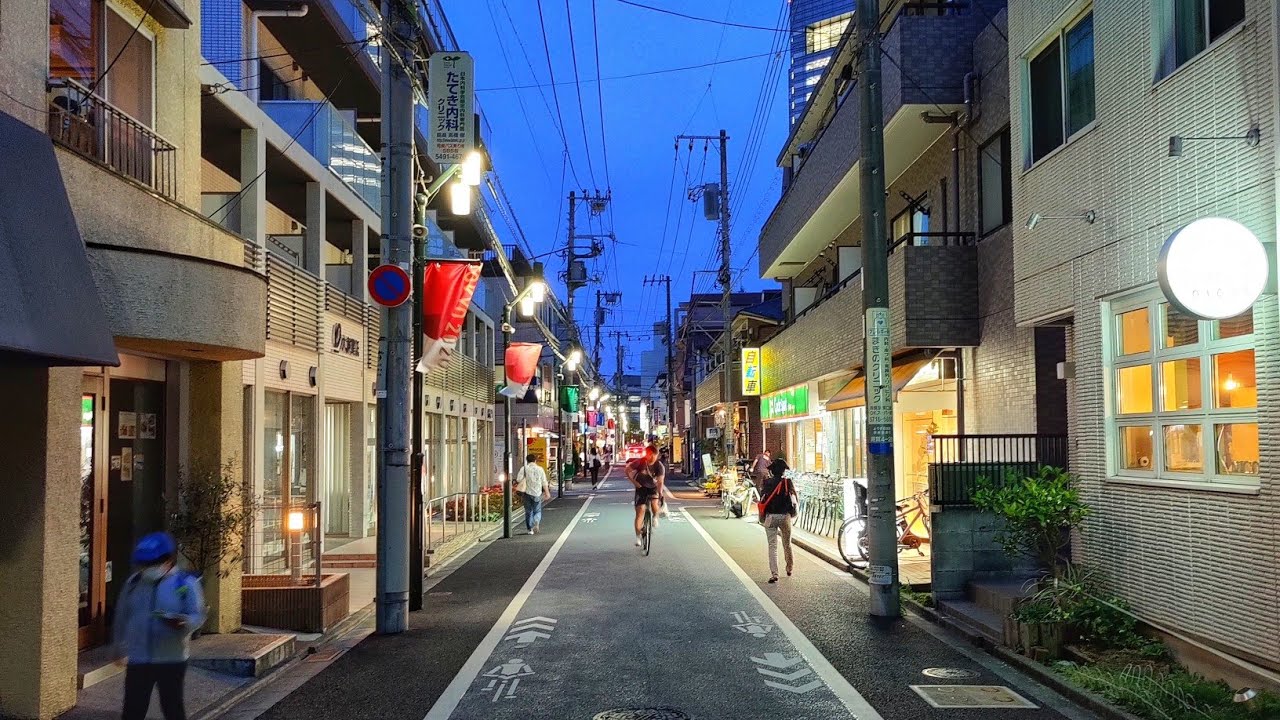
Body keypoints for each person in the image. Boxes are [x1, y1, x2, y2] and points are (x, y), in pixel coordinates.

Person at [114, 531, 206, 720]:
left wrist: (184, 623)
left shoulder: (185, 583)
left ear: (168, 561)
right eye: (144, 564)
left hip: (172, 659)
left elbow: (197, 615)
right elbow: (122, 615)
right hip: (139, 659)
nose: (148, 568)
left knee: (172, 709)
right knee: (132, 711)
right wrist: (118, 646)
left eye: (153, 563)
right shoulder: (134, 583)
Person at [760, 457, 797, 583]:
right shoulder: (788, 482)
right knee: (787, 543)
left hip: (771, 516)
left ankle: (775, 574)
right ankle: (789, 567)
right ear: (783, 471)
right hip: (785, 516)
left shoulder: (767, 483)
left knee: (772, 546)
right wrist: (793, 513)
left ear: (772, 471)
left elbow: (762, 499)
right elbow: (794, 499)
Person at [625, 444, 666, 547]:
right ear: (648, 454)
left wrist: (660, 494)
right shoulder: (640, 462)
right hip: (640, 488)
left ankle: (655, 517)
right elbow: (627, 470)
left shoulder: (659, 466)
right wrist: (634, 482)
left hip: (653, 488)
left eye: (655, 455)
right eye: (651, 455)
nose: (653, 457)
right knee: (640, 511)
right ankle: (638, 537)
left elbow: (660, 482)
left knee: (654, 503)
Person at [514, 454, 551, 535]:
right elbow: (544, 482)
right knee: (537, 510)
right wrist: (547, 492)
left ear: (527, 460)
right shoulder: (540, 469)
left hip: (526, 492)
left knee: (528, 511)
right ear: (535, 460)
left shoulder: (524, 469)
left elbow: (518, 479)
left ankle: (530, 529)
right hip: (537, 493)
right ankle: (536, 520)